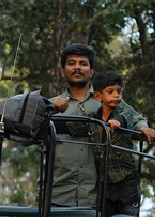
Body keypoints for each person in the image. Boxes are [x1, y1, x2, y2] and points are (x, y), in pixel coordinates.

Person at [51, 43, 154, 208]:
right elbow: (32, 131)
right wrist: (50, 111)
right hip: (57, 195)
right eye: (72, 63)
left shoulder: (108, 98)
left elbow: (135, 119)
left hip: (96, 196)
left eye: (83, 63)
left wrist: (143, 129)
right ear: (63, 71)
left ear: (91, 72)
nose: (77, 67)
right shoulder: (52, 105)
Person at [62, 71, 149, 217]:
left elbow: (124, 118)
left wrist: (117, 122)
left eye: (119, 91)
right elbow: (71, 128)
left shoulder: (124, 111)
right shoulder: (93, 120)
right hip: (105, 183)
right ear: (98, 96)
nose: (116, 95)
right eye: (111, 92)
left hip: (126, 181)